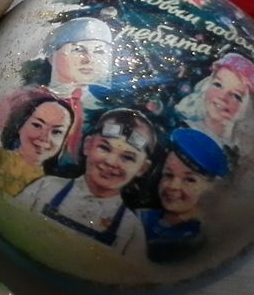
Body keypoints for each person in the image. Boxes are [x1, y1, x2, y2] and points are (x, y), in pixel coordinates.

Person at [14, 108, 157, 257]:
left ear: (143, 168)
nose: (110, 161)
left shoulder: (130, 229)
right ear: (88, 145)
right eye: (104, 148)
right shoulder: (45, 188)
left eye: (127, 157)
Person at [138, 126, 229, 263]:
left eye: (189, 180)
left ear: (211, 189)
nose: (173, 186)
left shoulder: (194, 238)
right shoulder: (142, 216)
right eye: (168, 175)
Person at [41, 16, 114, 168]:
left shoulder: (101, 110)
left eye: (99, 51)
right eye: (78, 49)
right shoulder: (27, 101)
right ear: (51, 56)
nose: (89, 59)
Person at [0, 93, 74, 196]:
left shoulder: (55, 191)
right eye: (37, 125)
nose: (45, 137)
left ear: (64, 140)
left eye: (56, 132)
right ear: (20, 126)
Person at [174, 51, 254, 153]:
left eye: (236, 96)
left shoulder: (236, 151)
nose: (222, 97)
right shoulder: (182, 127)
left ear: (246, 106)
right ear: (207, 85)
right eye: (218, 85)